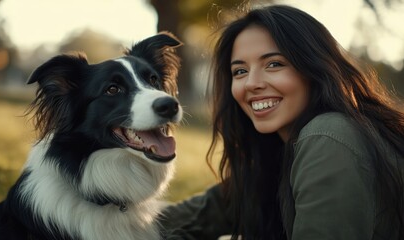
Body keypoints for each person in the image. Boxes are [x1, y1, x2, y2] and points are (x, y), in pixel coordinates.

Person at [160, 4, 404, 240]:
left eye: (274, 64)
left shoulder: (328, 137)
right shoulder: (272, 156)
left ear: (313, 68)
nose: (252, 83)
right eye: (240, 71)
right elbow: (178, 220)